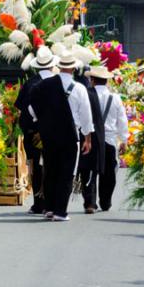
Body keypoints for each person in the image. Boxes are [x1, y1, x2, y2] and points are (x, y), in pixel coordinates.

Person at [29, 51, 94, 222]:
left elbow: (31, 107)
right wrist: (88, 138)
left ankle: (49, 208)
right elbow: (86, 116)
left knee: (50, 170)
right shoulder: (79, 88)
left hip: (49, 134)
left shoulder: (46, 85)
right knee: (67, 172)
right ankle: (60, 211)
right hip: (71, 135)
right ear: (73, 68)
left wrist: (40, 119)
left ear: (58, 66)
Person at [15, 46, 58, 215]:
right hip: (54, 132)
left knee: (35, 166)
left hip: (33, 132)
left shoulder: (30, 83)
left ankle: (38, 203)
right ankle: (52, 202)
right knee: (52, 165)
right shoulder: (59, 82)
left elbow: (21, 108)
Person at [79, 66, 128, 213]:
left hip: (89, 138)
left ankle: (90, 203)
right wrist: (124, 139)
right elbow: (122, 120)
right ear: (106, 81)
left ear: (92, 80)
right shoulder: (116, 98)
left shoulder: (87, 95)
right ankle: (105, 201)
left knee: (88, 170)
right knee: (108, 173)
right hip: (109, 140)